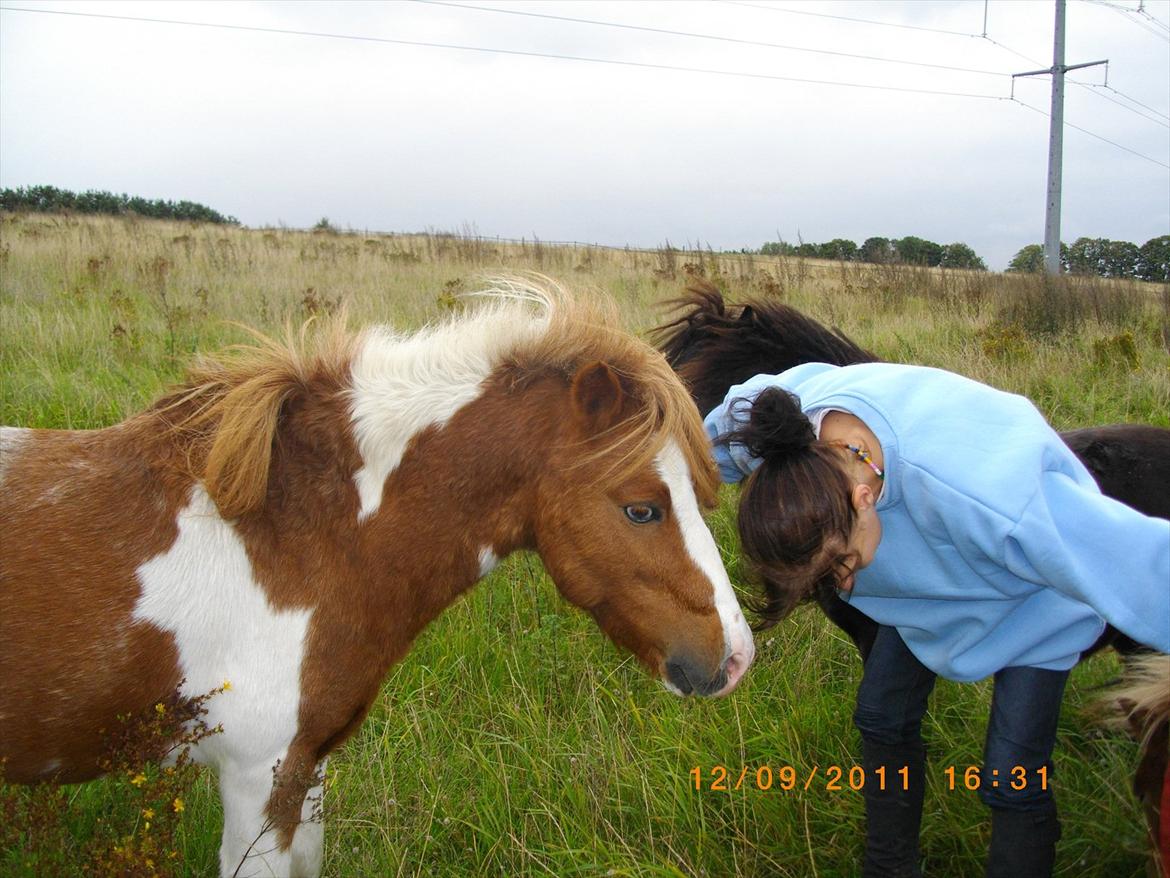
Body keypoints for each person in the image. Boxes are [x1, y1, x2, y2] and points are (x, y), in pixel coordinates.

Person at [704, 360, 1170, 878]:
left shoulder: (989, 494)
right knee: (881, 716)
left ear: (863, 499)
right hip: (926, 593)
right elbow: (713, 433)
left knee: (1011, 779)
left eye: (843, 562)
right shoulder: (789, 435)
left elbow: (1142, 562)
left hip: (1034, 603)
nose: (845, 584)